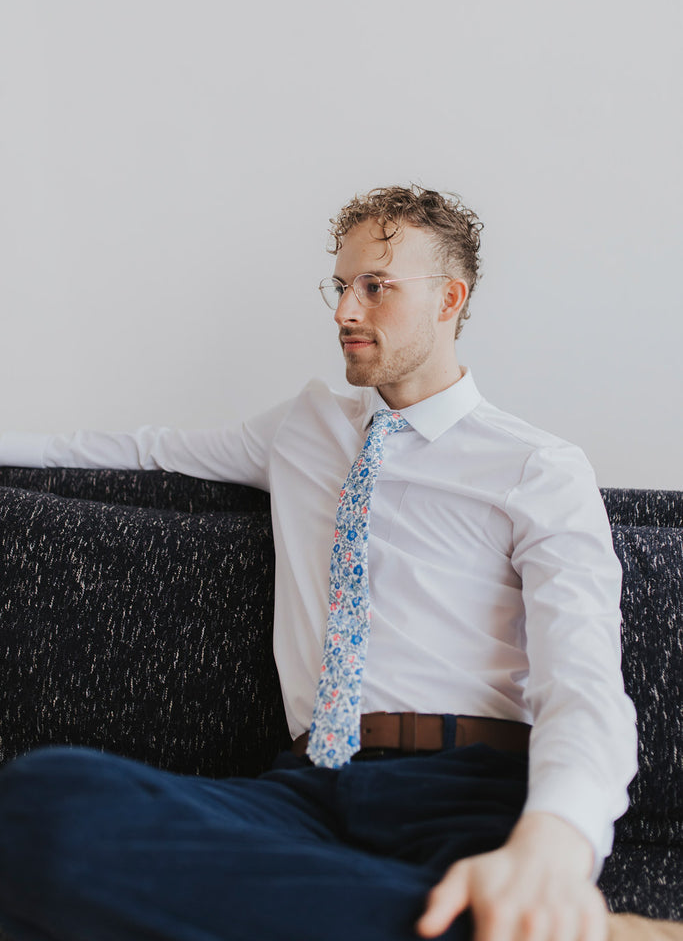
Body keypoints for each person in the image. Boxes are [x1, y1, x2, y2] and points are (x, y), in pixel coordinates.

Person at [0, 184, 656, 941]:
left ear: (449, 298)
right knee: (40, 803)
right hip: (305, 794)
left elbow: (584, 682)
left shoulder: (537, 467)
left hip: (469, 790)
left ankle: (502, 908)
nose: (345, 312)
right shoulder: (301, 429)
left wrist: (551, 846)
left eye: (376, 287)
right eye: (340, 286)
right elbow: (127, 452)